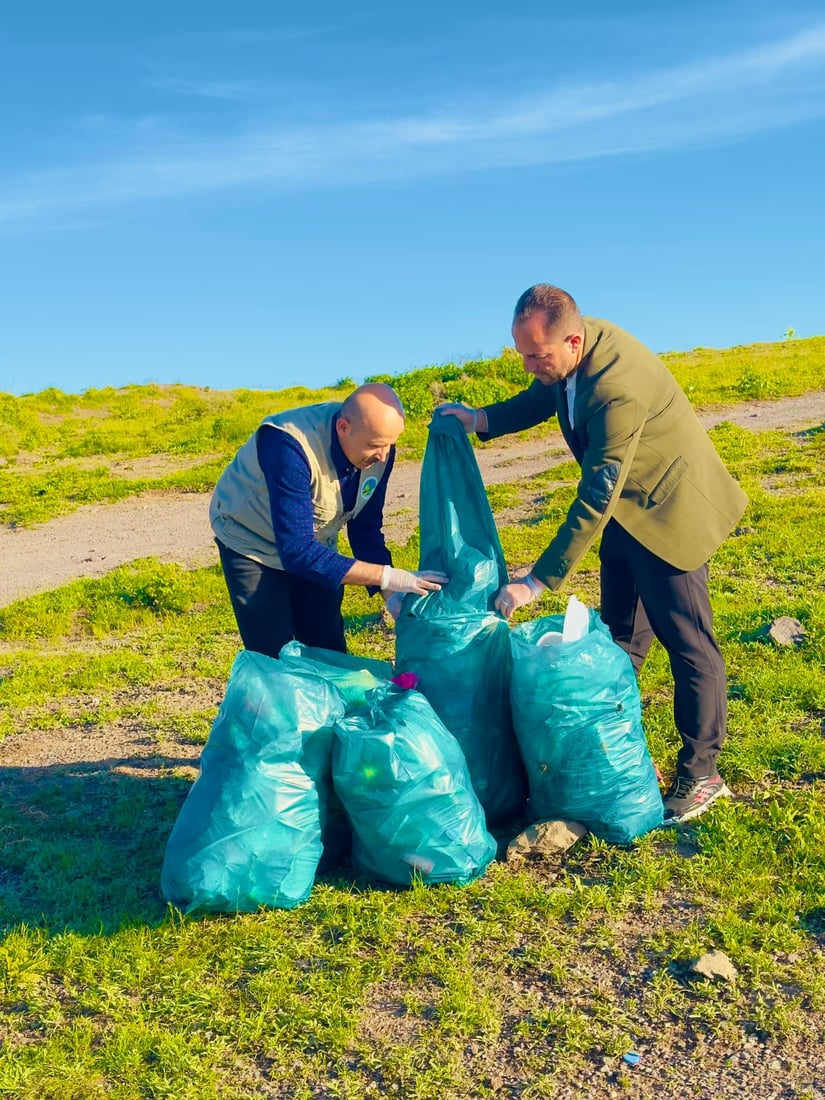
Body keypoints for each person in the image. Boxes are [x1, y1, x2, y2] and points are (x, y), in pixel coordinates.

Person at [439, 285, 747, 825]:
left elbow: (597, 493)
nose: (529, 365)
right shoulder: (570, 355)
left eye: (536, 355)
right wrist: (480, 419)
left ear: (572, 341)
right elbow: (546, 394)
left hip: (669, 512)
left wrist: (536, 581)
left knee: (689, 646)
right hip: (629, 511)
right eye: (522, 353)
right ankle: (612, 753)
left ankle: (703, 774)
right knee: (619, 639)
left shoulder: (616, 385)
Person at [210, 382, 447, 659]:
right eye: (374, 445)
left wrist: (391, 595)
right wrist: (388, 575)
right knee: (275, 655)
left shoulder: (379, 448)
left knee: (327, 643)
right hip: (252, 540)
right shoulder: (288, 446)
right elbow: (297, 552)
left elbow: (366, 527)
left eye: (390, 444)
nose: (383, 455)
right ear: (343, 427)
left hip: (314, 541)